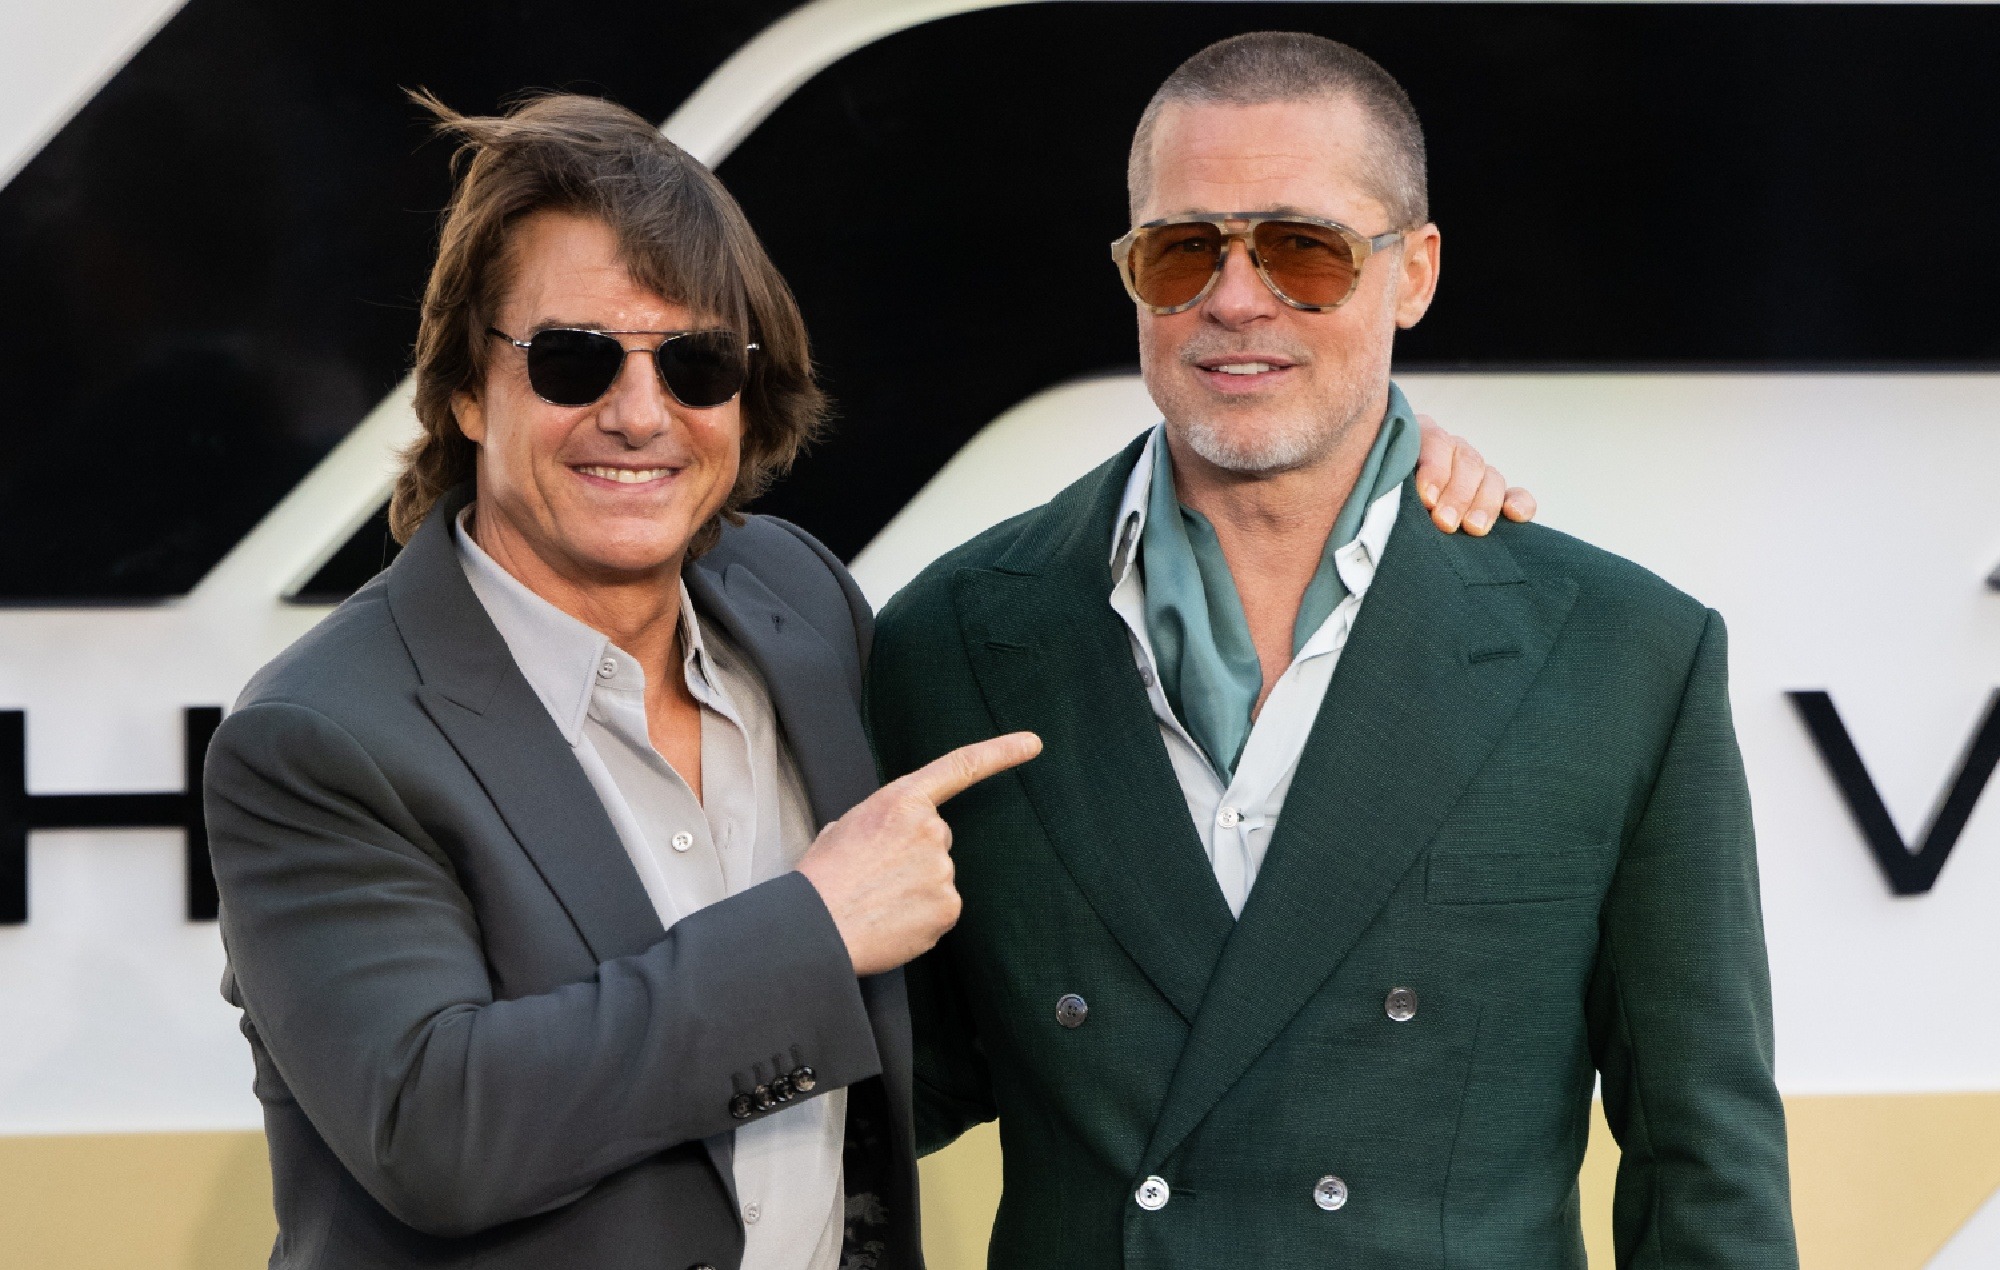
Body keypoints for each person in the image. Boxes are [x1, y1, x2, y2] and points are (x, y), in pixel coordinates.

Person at [202, 92, 1523, 1269]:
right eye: (573, 357)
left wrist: (1356, 467)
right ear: (468, 391)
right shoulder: (321, 734)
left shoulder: (798, 604)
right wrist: (814, 931)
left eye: (698, 362)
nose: (640, 412)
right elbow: (436, 1130)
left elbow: (938, 1031)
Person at [870, 32, 1798, 1270]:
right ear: (1131, 273)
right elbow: (881, 1102)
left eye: (1303, 252)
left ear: (1409, 272)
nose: (1235, 299)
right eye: (1181, 251)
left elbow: (1706, 1165)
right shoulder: (951, 635)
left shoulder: (1622, 654)